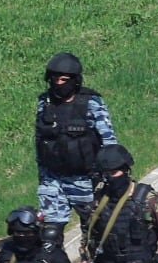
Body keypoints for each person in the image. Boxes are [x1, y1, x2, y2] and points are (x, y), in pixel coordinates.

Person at [35, 51, 118, 237]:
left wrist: (109, 179)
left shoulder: (92, 103)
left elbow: (109, 143)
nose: (59, 84)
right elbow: (40, 141)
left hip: (86, 181)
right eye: (55, 79)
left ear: (75, 80)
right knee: (49, 236)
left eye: (64, 80)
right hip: (53, 179)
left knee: (95, 233)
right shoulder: (44, 102)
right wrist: (43, 177)